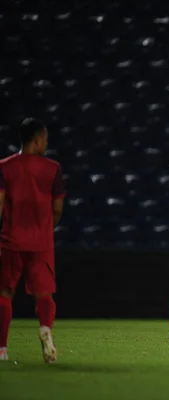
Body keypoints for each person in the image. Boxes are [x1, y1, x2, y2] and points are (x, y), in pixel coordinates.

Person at [0, 118, 65, 363]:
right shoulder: (52, 168)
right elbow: (58, 208)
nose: (46, 143)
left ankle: (2, 350)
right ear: (37, 140)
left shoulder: (4, 167)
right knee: (44, 294)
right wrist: (47, 226)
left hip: (11, 240)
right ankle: (45, 329)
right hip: (41, 240)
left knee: (4, 293)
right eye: (45, 139)